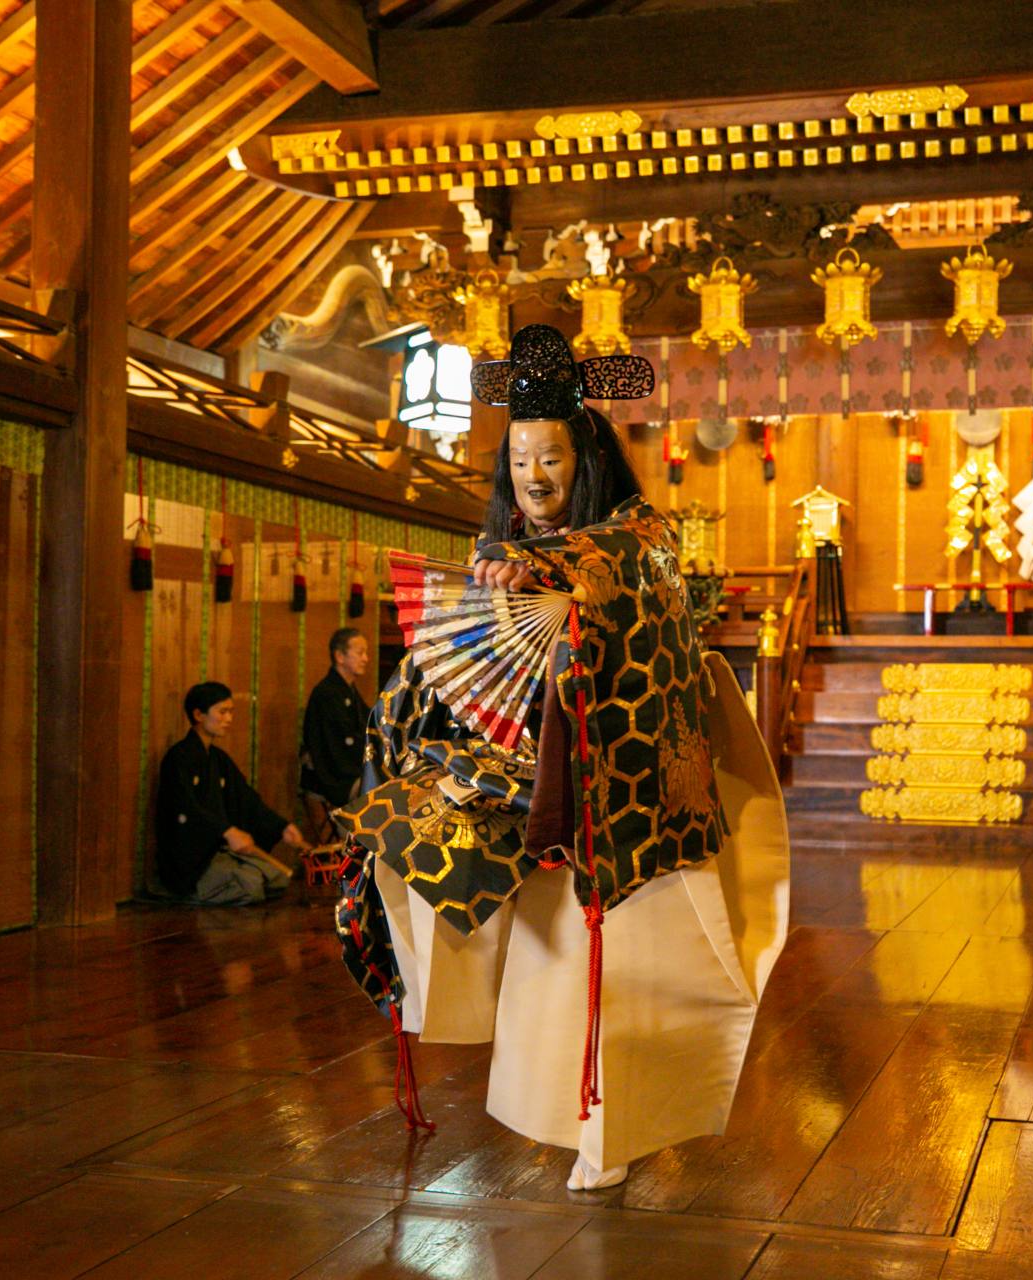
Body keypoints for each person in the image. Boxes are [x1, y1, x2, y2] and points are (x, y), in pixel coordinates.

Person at [331, 324, 789, 1192]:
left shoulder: (633, 536)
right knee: (547, 982)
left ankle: (610, 1133)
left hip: (622, 797)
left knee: (625, 982)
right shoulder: (494, 555)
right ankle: (575, 1121)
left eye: (549, 459)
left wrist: (552, 567)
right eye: (517, 463)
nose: (532, 479)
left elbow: (624, 567)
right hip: (536, 796)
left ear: (584, 459)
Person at [155, 681, 311, 904]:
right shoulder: (179, 758)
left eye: (231, 712)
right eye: (222, 712)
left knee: (277, 879)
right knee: (251, 885)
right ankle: (190, 893)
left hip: (219, 849)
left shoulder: (218, 759)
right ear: (198, 715)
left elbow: (246, 800)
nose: (229, 719)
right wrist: (226, 831)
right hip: (192, 860)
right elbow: (185, 808)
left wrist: (281, 827)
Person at [301, 627, 373, 839]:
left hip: (349, 769)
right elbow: (334, 748)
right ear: (340, 656)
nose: (366, 658)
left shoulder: (347, 690)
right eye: (360, 652)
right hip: (334, 776)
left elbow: (368, 729)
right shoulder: (326, 694)